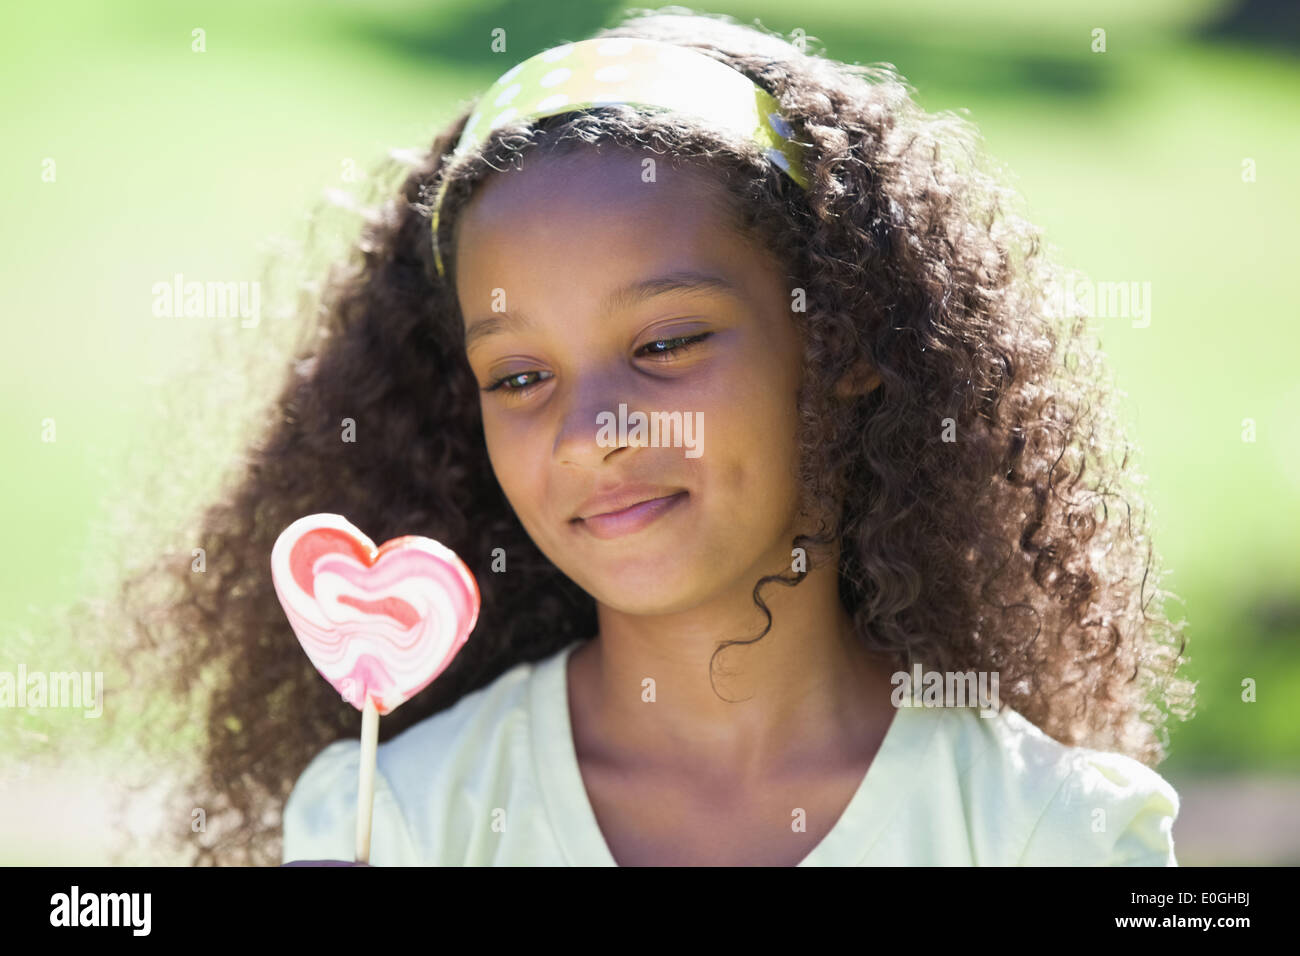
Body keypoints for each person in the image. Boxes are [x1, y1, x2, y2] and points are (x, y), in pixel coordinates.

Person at [119, 9, 1194, 866]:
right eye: (522, 375)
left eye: (668, 340)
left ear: (846, 346)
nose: (591, 433)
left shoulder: (1048, 833)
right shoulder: (396, 817)